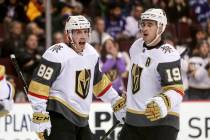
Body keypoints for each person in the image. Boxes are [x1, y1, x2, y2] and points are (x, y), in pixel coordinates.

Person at [28, 15, 126, 140]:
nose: (83, 35)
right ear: (69, 34)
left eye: (86, 31)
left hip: (82, 118)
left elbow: (99, 82)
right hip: (59, 115)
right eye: (78, 32)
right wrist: (39, 113)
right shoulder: (56, 53)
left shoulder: (91, 53)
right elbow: (39, 86)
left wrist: (115, 101)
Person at [119, 8, 185, 140]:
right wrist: (131, 98)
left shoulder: (168, 54)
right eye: (143, 24)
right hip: (134, 122)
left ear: (160, 27)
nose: (144, 28)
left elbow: (177, 90)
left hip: (162, 123)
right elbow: (139, 79)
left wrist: (163, 101)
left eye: (150, 25)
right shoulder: (136, 47)